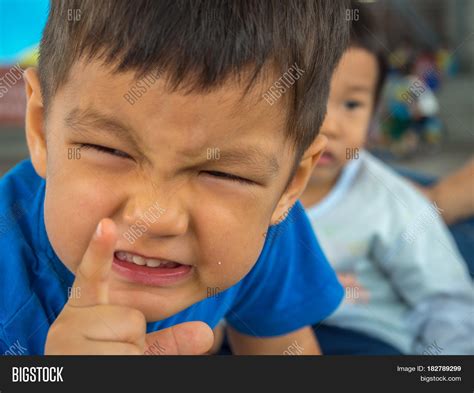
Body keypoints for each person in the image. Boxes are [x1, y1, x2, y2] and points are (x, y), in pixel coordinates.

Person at [0, 0, 349, 355]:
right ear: (41, 130)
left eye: (221, 173)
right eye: (111, 150)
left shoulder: (265, 227)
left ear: (289, 185)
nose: (156, 216)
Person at [301, 4, 473, 355]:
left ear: (375, 110)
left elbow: (445, 301)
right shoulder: (241, 189)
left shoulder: (389, 202)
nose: (330, 125)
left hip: (362, 337)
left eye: (351, 105)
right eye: (310, 99)